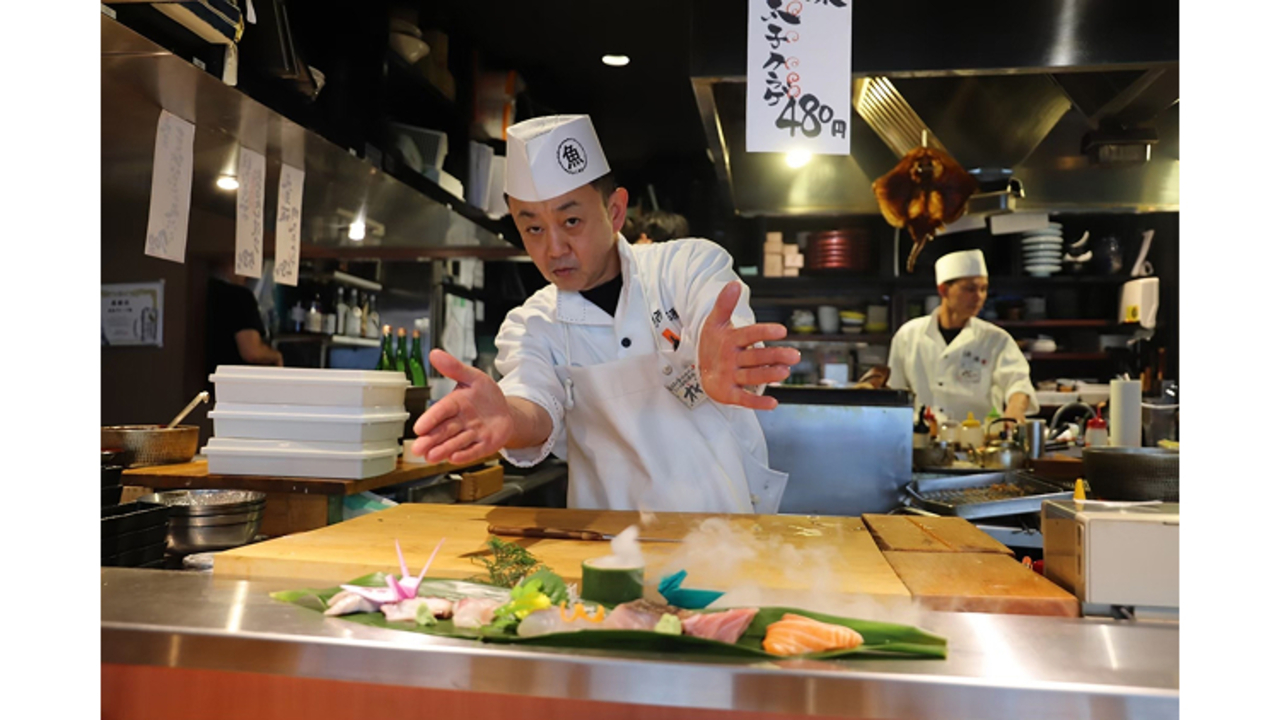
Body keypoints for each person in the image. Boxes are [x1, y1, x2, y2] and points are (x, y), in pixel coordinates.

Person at [412, 115, 800, 513]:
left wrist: (727, 360)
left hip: (722, 532)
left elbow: (718, 322)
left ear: (615, 212)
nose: (554, 248)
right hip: (608, 550)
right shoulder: (533, 322)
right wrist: (509, 419)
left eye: (571, 221)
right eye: (533, 229)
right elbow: (533, 398)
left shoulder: (684, 266)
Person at [887, 249, 1036, 424]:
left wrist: (1014, 412)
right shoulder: (908, 335)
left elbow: (1018, 384)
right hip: (923, 439)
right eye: (970, 289)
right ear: (943, 290)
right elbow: (894, 393)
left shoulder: (996, 340)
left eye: (983, 289)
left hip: (978, 441)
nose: (979, 297)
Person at [206, 256, 283, 380]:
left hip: (197, 381)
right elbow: (252, 352)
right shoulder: (240, 296)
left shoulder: (201, 290)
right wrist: (275, 356)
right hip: (230, 383)